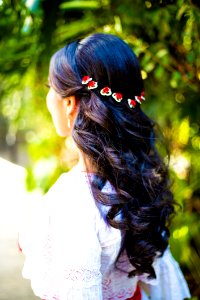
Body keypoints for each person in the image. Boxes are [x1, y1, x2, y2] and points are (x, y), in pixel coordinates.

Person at [19, 33, 191, 300]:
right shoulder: (138, 181)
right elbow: (168, 289)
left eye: (49, 87)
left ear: (69, 104)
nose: (48, 97)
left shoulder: (73, 201)